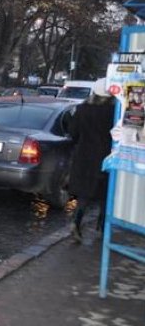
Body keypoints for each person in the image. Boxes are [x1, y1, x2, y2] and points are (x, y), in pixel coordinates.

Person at [68, 77, 115, 242]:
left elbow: (73, 133)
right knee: (106, 194)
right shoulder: (113, 111)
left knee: (84, 194)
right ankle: (102, 228)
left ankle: (76, 222)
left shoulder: (81, 109)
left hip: (84, 157)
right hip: (105, 157)